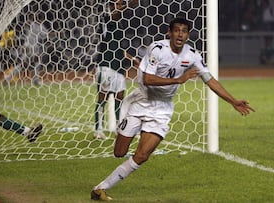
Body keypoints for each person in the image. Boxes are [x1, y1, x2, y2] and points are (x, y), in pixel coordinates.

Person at [90, 17, 255, 201]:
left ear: (188, 35)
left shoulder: (192, 55)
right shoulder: (157, 49)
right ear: (169, 33)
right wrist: (179, 79)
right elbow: (147, 79)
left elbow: (210, 80)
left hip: (162, 109)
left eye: (184, 31)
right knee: (119, 152)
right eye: (176, 30)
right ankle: (132, 128)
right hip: (140, 103)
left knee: (142, 155)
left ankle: (100, 189)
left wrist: (232, 101)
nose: (180, 34)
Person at [93, 0, 144, 140]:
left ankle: (119, 127)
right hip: (105, 65)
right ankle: (98, 130)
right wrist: (133, 1)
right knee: (102, 99)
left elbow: (119, 48)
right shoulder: (106, 19)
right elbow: (117, 13)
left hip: (118, 67)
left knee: (120, 99)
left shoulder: (121, 24)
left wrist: (134, 59)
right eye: (118, 4)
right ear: (110, 6)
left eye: (121, 4)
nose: (120, 7)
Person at [3, 12, 55, 85]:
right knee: (35, 62)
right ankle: (35, 80)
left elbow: (44, 34)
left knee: (24, 64)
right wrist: (56, 33)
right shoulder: (37, 26)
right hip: (31, 47)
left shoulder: (35, 25)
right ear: (42, 19)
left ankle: (8, 78)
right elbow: (46, 35)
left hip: (29, 46)